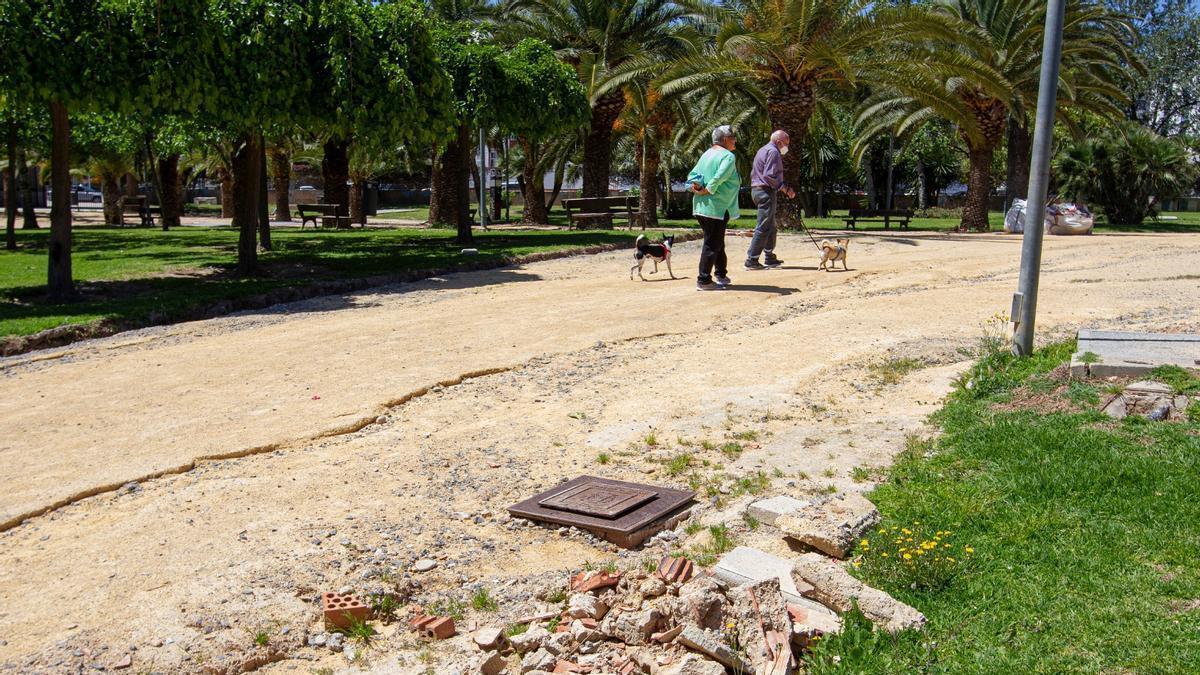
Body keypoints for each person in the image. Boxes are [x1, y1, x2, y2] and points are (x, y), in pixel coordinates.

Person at [687, 125, 741, 290]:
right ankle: (703, 280)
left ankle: (721, 273)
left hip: (702, 206)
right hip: (716, 206)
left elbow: (692, 176)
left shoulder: (706, 154)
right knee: (712, 242)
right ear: (725, 140)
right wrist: (707, 189)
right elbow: (720, 176)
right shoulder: (728, 156)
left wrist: (695, 187)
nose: (735, 140)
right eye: (733, 137)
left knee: (717, 240)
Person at [745, 130, 794, 270]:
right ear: (779, 142)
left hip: (757, 190)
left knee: (771, 225)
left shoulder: (763, 149)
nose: (787, 147)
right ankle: (751, 260)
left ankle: (769, 257)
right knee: (764, 226)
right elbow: (769, 175)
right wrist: (785, 189)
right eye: (786, 144)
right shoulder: (773, 152)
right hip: (765, 191)